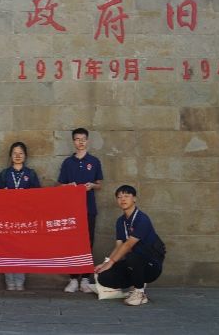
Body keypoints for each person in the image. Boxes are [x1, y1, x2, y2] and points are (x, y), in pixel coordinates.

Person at [93, 185, 163, 306]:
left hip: (152, 265)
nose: (123, 199)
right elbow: (119, 246)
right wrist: (106, 263)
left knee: (132, 256)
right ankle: (137, 283)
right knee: (104, 276)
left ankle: (139, 292)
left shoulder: (142, 219)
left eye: (126, 196)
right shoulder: (120, 221)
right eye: (119, 197)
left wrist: (111, 262)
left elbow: (128, 245)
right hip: (133, 262)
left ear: (134, 199)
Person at [57, 128, 103, 293]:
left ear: (87, 140)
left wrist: (92, 186)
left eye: (83, 139)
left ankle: (85, 279)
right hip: (71, 210)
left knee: (88, 243)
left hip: (89, 208)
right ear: (73, 142)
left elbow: (99, 184)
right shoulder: (68, 163)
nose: (81, 142)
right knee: (72, 244)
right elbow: (61, 185)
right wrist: (69, 187)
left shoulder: (94, 161)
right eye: (77, 139)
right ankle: (73, 279)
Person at [0, 141, 41, 291]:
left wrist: (26, 196)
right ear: (10, 155)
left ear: (25, 156)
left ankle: (20, 281)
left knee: (22, 249)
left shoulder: (30, 174)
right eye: (15, 153)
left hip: (24, 218)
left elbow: (39, 196)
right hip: (7, 218)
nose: (18, 156)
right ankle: (9, 281)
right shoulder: (4, 174)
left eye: (21, 153)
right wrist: (4, 194)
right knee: (7, 249)